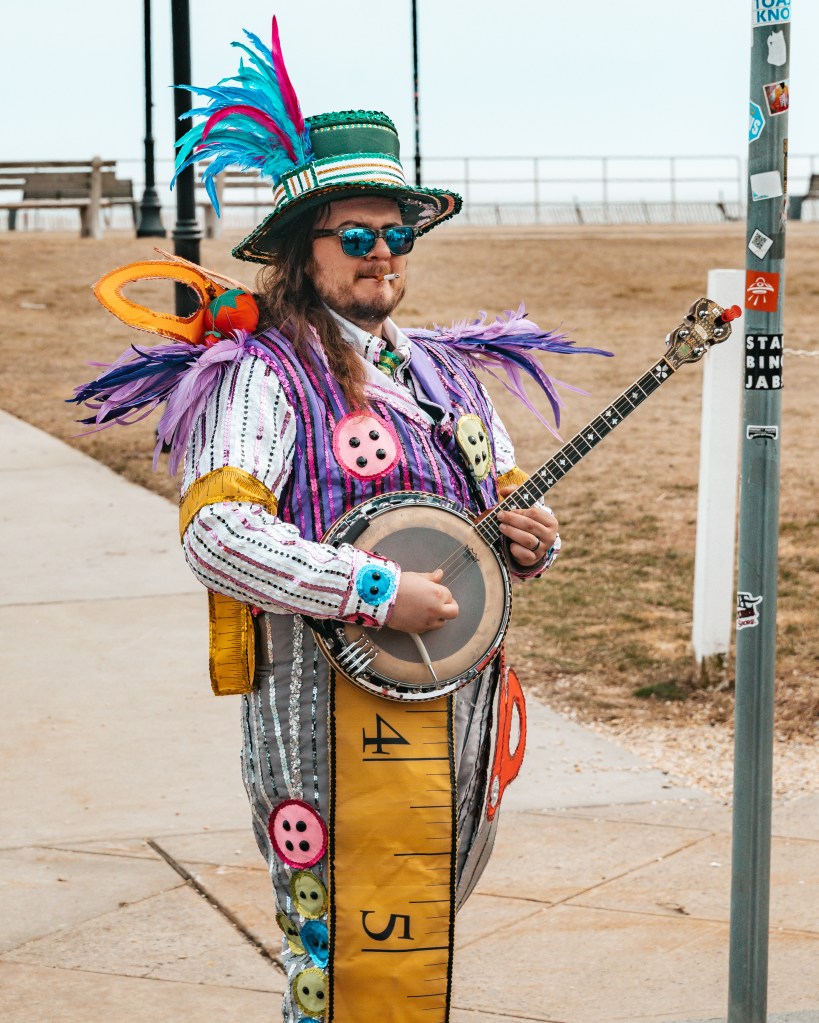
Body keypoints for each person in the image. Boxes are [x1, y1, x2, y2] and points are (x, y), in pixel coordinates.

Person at [74, 18, 607, 1022]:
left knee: (419, 934)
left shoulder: (446, 371)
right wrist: (372, 589)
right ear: (300, 252)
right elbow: (216, 536)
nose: (382, 255)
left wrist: (535, 539)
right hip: (321, 707)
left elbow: (499, 509)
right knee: (335, 955)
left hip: (455, 701)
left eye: (397, 234)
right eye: (356, 236)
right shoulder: (261, 375)